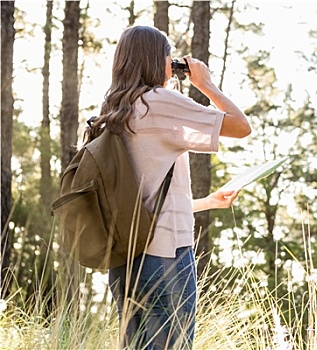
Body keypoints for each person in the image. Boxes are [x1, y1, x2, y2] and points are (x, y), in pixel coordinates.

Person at [90, 25, 251, 349]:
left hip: (124, 261)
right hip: (165, 258)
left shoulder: (112, 112)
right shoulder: (159, 102)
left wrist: (206, 202)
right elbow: (240, 126)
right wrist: (206, 85)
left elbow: (140, 202)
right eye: (169, 57)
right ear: (157, 60)